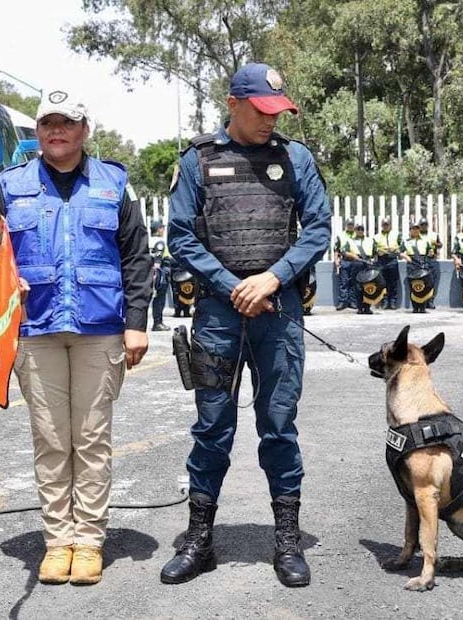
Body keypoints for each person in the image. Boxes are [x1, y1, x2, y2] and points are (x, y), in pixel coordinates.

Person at [161, 62, 330, 588]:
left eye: (277, 113)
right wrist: (235, 283)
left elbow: (319, 227)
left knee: (278, 425)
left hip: (277, 314)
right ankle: (198, 539)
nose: (268, 122)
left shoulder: (295, 158)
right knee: (212, 426)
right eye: (261, 111)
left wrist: (273, 278)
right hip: (218, 315)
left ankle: (287, 539)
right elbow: (181, 236)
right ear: (233, 103)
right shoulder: (199, 160)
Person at [0, 90, 152, 586]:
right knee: (51, 439)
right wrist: (3, 276)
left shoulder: (114, 183)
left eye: (67, 123)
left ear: (84, 130)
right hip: (36, 327)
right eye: (48, 123)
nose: (57, 131)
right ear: (37, 131)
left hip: (101, 328)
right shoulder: (10, 186)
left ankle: (90, 540)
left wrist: (137, 323)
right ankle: (58, 541)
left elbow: (137, 257)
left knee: (92, 439)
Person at [402, 221, 434, 313]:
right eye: (413, 228)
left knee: (424, 285)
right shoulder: (407, 242)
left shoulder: (425, 240)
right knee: (414, 286)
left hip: (422, 263)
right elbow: (399, 251)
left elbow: (430, 250)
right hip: (412, 264)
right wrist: (405, 256)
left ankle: (423, 306)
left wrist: (431, 253)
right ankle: (415, 307)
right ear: (410, 230)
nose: (415, 230)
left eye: (417, 228)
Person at [373, 217, 403, 310]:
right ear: (381, 225)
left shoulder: (397, 234)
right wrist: (378, 251)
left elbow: (403, 246)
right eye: (384, 224)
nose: (385, 226)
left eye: (387, 224)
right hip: (381, 260)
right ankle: (385, 301)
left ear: (390, 225)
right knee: (382, 282)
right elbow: (372, 249)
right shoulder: (376, 236)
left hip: (392, 259)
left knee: (393, 282)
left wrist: (396, 250)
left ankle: (393, 301)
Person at [149, 219, 172, 331]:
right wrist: (157, 276)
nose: (163, 230)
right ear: (159, 229)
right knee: (159, 299)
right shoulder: (160, 243)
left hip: (154, 273)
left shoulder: (149, 241)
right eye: (162, 228)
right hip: (160, 274)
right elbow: (157, 261)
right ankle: (158, 323)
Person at [332, 220, 358, 311]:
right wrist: (336, 261)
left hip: (355, 261)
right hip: (345, 261)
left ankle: (353, 302)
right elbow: (336, 249)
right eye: (349, 224)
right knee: (343, 282)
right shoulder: (341, 236)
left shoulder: (357, 235)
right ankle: (343, 302)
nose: (350, 226)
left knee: (353, 282)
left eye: (352, 224)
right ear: (346, 225)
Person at [418, 217, 442, 309]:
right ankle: (423, 300)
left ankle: (431, 301)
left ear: (427, 226)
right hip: (421, 260)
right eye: (422, 225)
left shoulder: (433, 235)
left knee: (434, 281)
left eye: (425, 225)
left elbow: (440, 245)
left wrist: (435, 244)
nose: (423, 227)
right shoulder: (417, 235)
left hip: (432, 259)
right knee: (423, 281)